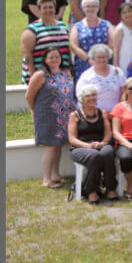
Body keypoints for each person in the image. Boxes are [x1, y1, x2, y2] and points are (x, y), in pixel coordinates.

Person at [26, 46, 75, 189]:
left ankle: (56, 175)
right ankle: (46, 179)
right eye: (51, 57)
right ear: (45, 60)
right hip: (48, 116)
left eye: (57, 57)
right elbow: (29, 96)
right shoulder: (40, 75)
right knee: (51, 147)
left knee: (58, 145)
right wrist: (34, 110)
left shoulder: (65, 72)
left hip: (63, 116)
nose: (54, 60)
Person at [67, 83, 118, 202]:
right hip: (80, 148)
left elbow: (108, 133)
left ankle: (111, 188)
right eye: (88, 96)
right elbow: (72, 139)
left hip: (101, 144)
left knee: (108, 153)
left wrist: (104, 142)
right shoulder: (75, 115)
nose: (91, 98)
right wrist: (89, 146)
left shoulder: (102, 113)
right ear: (82, 99)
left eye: (94, 95)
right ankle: (91, 190)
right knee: (95, 155)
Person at [21, 0, 71, 85]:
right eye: (45, 8)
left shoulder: (63, 26)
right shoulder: (32, 30)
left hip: (60, 76)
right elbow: (27, 55)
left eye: (51, 7)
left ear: (55, 9)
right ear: (39, 10)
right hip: (40, 76)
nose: (48, 10)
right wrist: (33, 77)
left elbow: (67, 50)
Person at [68, 0, 111, 81]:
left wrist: (101, 59)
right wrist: (89, 60)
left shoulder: (107, 25)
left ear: (98, 8)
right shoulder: (77, 26)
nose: (91, 9)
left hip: (104, 63)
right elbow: (74, 46)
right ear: (83, 8)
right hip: (83, 64)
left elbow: (112, 44)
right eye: (88, 6)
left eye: (94, 6)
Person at [75, 43, 126, 114]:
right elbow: (81, 97)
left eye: (104, 57)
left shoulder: (117, 72)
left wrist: (118, 109)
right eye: (98, 57)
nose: (102, 60)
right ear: (93, 58)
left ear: (108, 57)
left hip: (115, 114)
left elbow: (124, 91)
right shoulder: (86, 76)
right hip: (95, 116)